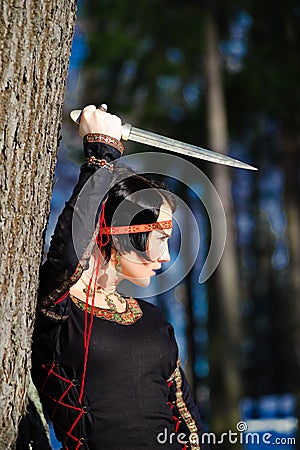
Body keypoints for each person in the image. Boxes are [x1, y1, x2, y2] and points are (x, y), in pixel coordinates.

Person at [31, 105, 210, 450]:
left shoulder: (155, 320)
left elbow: (189, 423)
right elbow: (68, 253)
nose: (166, 256)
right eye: (160, 240)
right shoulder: (59, 309)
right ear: (121, 234)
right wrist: (101, 154)